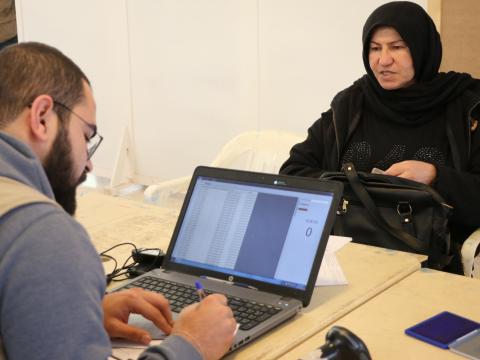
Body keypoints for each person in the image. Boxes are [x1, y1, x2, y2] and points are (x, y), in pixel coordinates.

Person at [0, 42, 236, 359]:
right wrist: (191, 344)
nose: (89, 164)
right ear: (42, 117)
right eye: (86, 136)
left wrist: (77, 314)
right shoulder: (41, 235)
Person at [280, 1, 480, 273]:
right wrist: (356, 184)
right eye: (375, 48)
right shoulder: (351, 104)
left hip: (430, 265)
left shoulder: (465, 108)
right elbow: (292, 174)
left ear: (422, 49)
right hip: (346, 261)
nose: (383, 60)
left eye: (397, 47)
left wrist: (436, 176)